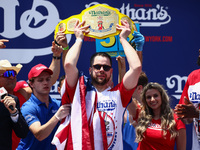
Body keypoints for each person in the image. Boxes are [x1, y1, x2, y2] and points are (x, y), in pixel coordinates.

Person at [53, 19, 142, 149]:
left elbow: (136, 68)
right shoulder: (78, 90)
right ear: (90, 70)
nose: (101, 70)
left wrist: (123, 38)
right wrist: (78, 39)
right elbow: (68, 65)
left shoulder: (119, 94)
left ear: (111, 72)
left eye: (106, 68)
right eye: (97, 66)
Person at [17, 64, 71, 150]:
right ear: (31, 84)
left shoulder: (57, 104)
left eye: (48, 79)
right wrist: (57, 116)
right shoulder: (28, 107)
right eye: (40, 80)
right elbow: (39, 135)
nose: (45, 83)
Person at [135, 82, 186, 150]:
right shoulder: (141, 114)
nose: (152, 99)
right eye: (148, 97)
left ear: (162, 97)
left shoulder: (176, 118)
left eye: (156, 96)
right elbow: (125, 96)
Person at [174, 49, 200, 150]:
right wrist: (185, 115)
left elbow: (196, 114)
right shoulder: (193, 77)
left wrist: (197, 114)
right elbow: (188, 119)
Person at [0, 65, 29, 150]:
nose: (12, 77)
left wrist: (14, 113)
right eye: (7, 74)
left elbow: (23, 133)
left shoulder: (13, 100)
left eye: (14, 73)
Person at [123, 71, 148, 150]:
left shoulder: (149, 112)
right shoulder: (121, 108)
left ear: (139, 88)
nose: (126, 88)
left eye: (129, 85)